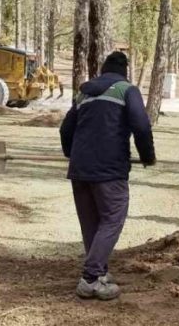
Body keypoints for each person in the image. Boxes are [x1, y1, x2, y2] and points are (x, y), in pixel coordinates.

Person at [60, 51, 155, 301]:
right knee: (113, 218)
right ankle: (91, 278)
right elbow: (142, 126)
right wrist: (147, 156)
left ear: (103, 70)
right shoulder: (126, 90)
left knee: (91, 223)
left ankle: (99, 272)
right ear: (125, 71)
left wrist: (73, 155)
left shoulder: (84, 93)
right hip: (109, 169)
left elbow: (66, 128)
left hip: (81, 170)